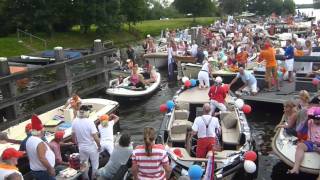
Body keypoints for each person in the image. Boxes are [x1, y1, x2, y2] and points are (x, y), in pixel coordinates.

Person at [72, 105, 101, 179]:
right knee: (95, 164)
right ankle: (94, 178)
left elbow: (73, 135)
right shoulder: (89, 121)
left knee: (83, 165)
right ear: (87, 112)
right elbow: (95, 137)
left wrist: (76, 143)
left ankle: (86, 178)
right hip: (91, 146)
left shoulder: (74, 121)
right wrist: (99, 146)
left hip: (81, 147)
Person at [288, 108, 320, 174]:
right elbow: (299, 129)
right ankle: (295, 168)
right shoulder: (310, 122)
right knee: (300, 146)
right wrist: (307, 119)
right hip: (311, 143)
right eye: (316, 119)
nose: (317, 121)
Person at [26, 114, 56, 179]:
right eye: (43, 130)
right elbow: (42, 158)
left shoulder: (29, 140)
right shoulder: (39, 143)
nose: (44, 131)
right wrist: (50, 168)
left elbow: (29, 156)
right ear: (41, 131)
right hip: (44, 172)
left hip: (36, 170)